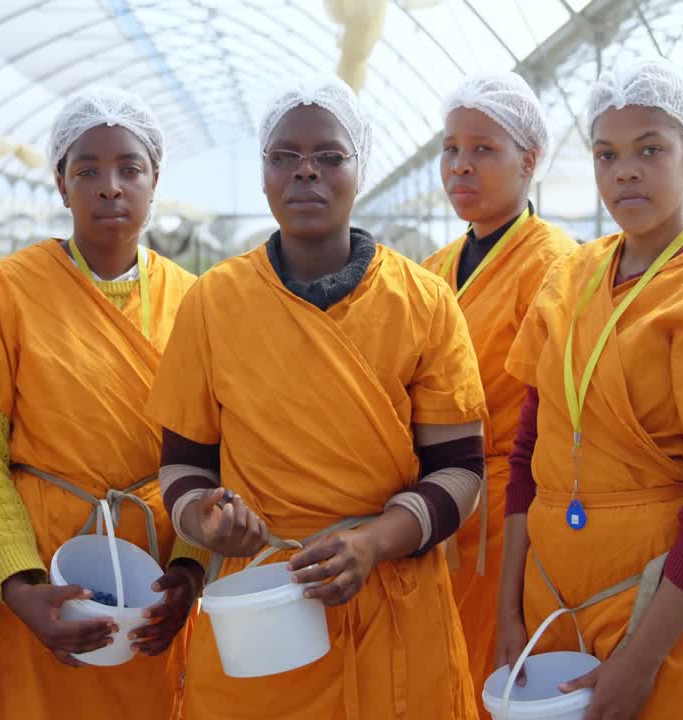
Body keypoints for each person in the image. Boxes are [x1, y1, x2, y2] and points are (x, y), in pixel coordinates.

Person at [146, 76, 487, 720]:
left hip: (395, 600)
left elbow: (460, 470)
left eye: (329, 156)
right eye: (284, 157)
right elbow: (184, 461)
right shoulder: (215, 302)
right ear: (265, 174)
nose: (306, 173)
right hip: (264, 607)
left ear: (359, 170)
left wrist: (374, 545)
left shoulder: (422, 302)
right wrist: (205, 521)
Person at [495, 57, 683, 720]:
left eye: (650, 149)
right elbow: (528, 457)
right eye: (607, 154)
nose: (625, 170)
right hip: (550, 601)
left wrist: (642, 660)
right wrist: (510, 613)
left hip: (656, 609)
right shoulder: (571, 277)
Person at [0, 87, 207, 720]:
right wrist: (20, 584)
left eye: (129, 168)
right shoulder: (7, 291)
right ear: (62, 185)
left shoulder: (196, 302)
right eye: (86, 169)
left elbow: (216, 453)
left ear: (154, 183)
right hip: (47, 566)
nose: (110, 186)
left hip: (154, 571)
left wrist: (189, 569)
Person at [420, 72, 575, 709]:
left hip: (514, 512)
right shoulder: (433, 269)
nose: (460, 166)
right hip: (438, 506)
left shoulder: (556, 264)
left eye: (483, 149)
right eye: (451, 148)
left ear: (528, 161)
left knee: (499, 668)